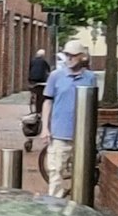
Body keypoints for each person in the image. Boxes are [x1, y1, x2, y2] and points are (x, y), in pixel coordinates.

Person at [42, 42, 98, 199]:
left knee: (82, 172)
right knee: (56, 170)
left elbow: (93, 105)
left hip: (82, 135)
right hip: (59, 133)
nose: (70, 58)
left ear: (82, 57)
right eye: (67, 55)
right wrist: (45, 128)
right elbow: (48, 101)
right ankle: (55, 205)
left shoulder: (90, 78)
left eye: (73, 55)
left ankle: (79, 203)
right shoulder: (56, 76)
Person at [28, 49, 50, 115]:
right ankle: (39, 108)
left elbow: (30, 68)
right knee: (41, 93)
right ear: (43, 55)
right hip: (41, 80)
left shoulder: (32, 61)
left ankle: (33, 98)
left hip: (32, 79)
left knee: (34, 90)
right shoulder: (44, 62)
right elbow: (48, 69)